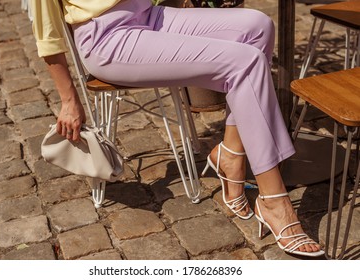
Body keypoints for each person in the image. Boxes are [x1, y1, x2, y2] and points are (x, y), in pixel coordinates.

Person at [30, 0, 324, 257]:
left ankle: (231, 155)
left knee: (257, 26)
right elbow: (47, 36)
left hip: (148, 14)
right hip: (108, 38)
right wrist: (69, 101)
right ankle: (273, 200)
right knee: (244, 63)